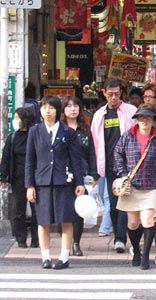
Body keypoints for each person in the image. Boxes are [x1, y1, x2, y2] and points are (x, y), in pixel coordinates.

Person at [25, 96, 85, 269]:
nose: (47, 111)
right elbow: (30, 161)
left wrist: (79, 183)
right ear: (40, 111)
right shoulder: (34, 131)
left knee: (66, 220)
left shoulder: (68, 132)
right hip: (42, 182)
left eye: (51, 108)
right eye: (44, 108)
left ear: (58, 111)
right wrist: (30, 185)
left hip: (64, 182)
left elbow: (76, 160)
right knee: (43, 221)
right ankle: (46, 257)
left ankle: (64, 257)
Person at [114, 104, 156, 270]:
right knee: (133, 223)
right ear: (137, 119)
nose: (144, 120)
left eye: (148, 117)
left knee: (148, 220)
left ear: (153, 120)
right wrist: (123, 173)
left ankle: (145, 256)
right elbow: (117, 154)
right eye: (141, 117)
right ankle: (136, 249)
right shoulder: (127, 136)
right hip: (132, 185)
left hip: (150, 184)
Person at [91, 77, 136, 254]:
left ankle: (123, 238)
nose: (114, 98)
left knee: (128, 200)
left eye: (117, 94)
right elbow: (95, 142)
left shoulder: (131, 111)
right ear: (104, 93)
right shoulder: (99, 115)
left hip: (128, 164)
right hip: (108, 164)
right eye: (110, 95)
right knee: (114, 201)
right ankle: (118, 235)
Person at [61, 96, 99, 256]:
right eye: (69, 106)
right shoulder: (59, 129)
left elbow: (91, 153)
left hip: (82, 175)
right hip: (63, 175)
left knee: (80, 210)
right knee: (65, 210)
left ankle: (76, 243)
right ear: (63, 109)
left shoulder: (84, 130)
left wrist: (93, 174)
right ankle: (66, 244)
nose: (72, 109)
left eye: (76, 106)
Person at [1, 108, 38, 248]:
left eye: (18, 118)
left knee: (37, 211)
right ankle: (21, 239)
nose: (15, 121)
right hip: (17, 178)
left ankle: (36, 239)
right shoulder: (13, 137)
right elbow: (6, 158)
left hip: (35, 178)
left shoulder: (35, 135)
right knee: (18, 210)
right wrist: (3, 177)